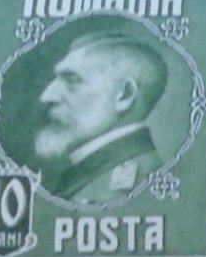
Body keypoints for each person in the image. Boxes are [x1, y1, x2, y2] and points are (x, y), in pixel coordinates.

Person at [28, 29, 169, 206]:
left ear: (124, 95)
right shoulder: (94, 174)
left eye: (72, 80)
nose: (47, 96)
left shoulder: (134, 184)